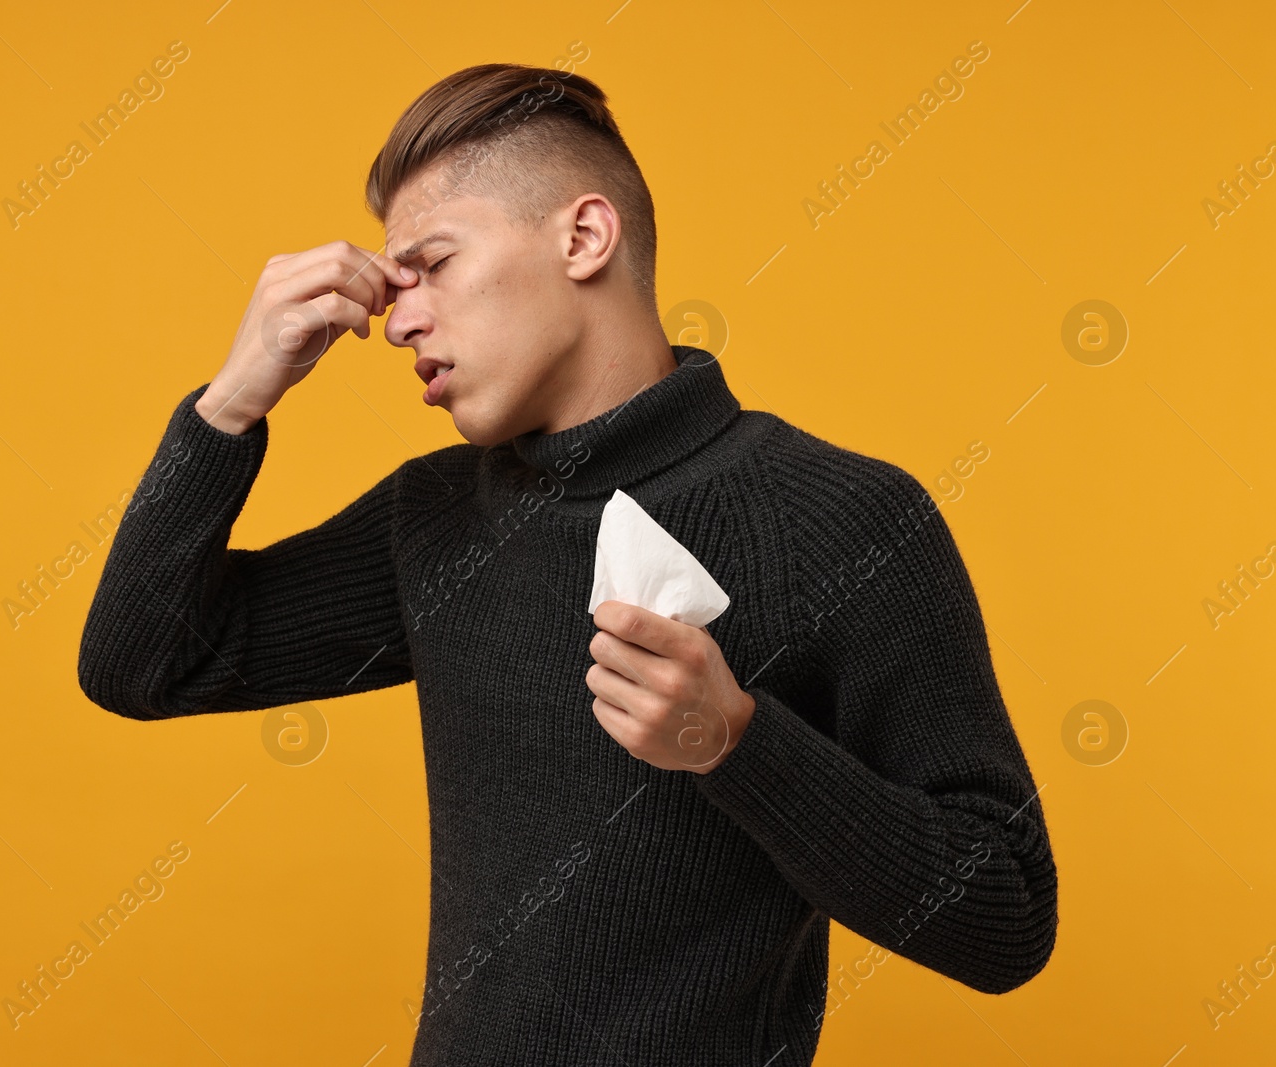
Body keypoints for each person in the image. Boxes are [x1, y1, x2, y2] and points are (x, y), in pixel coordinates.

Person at [77, 62, 1056, 1066]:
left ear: (583, 237)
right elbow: (143, 664)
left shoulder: (843, 519)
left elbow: (1004, 918)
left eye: (433, 263)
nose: (397, 318)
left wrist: (737, 743)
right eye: (391, 281)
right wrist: (229, 404)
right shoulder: (437, 518)